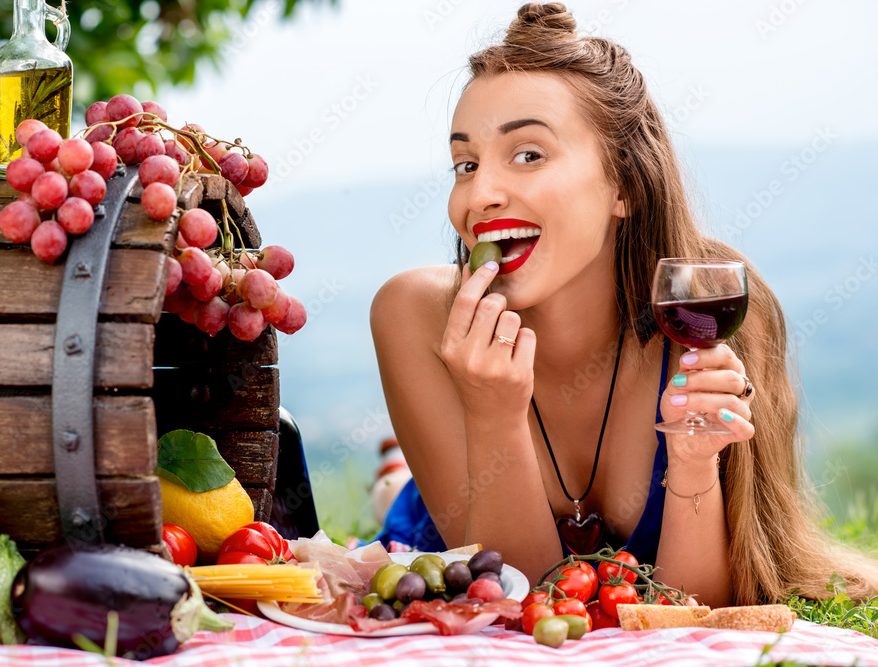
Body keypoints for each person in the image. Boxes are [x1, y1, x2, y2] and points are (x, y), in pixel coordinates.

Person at [370, 2, 878, 607]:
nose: (480, 194)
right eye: (465, 163)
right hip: (444, 547)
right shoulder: (413, 314)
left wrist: (692, 464)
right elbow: (517, 605)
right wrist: (492, 413)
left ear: (626, 184)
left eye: (528, 154)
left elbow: (697, 610)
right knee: (401, 492)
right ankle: (396, 477)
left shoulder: (715, 308)